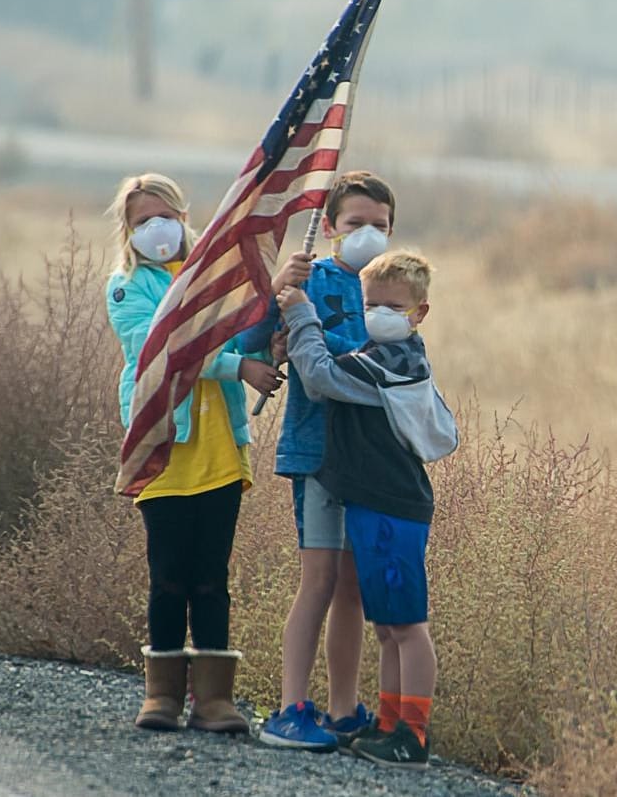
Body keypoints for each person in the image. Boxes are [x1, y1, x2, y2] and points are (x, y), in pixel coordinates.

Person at [104, 173, 285, 733]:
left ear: (184, 216)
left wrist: (270, 325)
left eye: (165, 215)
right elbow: (162, 348)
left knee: (211, 577)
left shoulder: (219, 274)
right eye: (142, 221)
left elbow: (240, 332)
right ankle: (161, 695)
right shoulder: (126, 288)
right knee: (168, 576)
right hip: (164, 444)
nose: (156, 228)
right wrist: (239, 367)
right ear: (128, 231)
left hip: (219, 449)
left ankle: (213, 701)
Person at [278, 249, 459, 768]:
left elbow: (319, 376)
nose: (379, 313)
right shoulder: (380, 354)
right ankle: (387, 723)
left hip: (391, 509)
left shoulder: (392, 363)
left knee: (407, 626)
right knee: (386, 627)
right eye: (371, 303)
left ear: (420, 313)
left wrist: (301, 316)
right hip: (374, 505)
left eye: (393, 305)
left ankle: (414, 734)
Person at [239, 170, 397, 751]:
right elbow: (251, 340)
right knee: (320, 579)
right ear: (330, 227)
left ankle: (343, 708)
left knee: (354, 586)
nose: (369, 235)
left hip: (370, 457)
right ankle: (289, 708)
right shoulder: (312, 279)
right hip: (317, 452)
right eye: (357, 224)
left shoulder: (390, 291)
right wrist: (279, 291)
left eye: (380, 226)